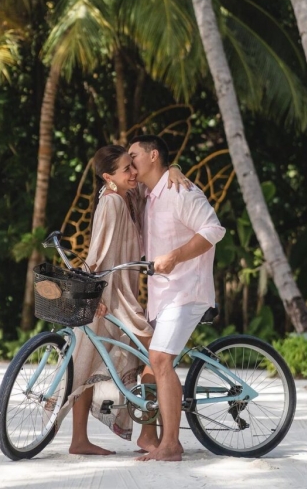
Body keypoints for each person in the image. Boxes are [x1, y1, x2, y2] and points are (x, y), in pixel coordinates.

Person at [57, 144, 187, 456]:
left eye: (133, 165)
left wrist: (174, 168)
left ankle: (86, 439)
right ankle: (146, 435)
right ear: (108, 177)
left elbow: (156, 178)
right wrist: (93, 294)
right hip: (111, 297)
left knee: (88, 360)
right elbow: (97, 252)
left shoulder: (128, 195)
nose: (133, 172)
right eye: (126, 168)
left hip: (122, 294)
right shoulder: (111, 202)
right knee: (154, 355)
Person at [128, 135, 226, 462]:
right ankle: (149, 435)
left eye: (134, 155)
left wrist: (175, 256)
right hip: (161, 295)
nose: (130, 161)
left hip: (186, 291)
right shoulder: (148, 194)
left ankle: (171, 444)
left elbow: (213, 230)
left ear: (153, 155)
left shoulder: (181, 191)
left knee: (159, 359)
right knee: (149, 364)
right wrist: (175, 167)